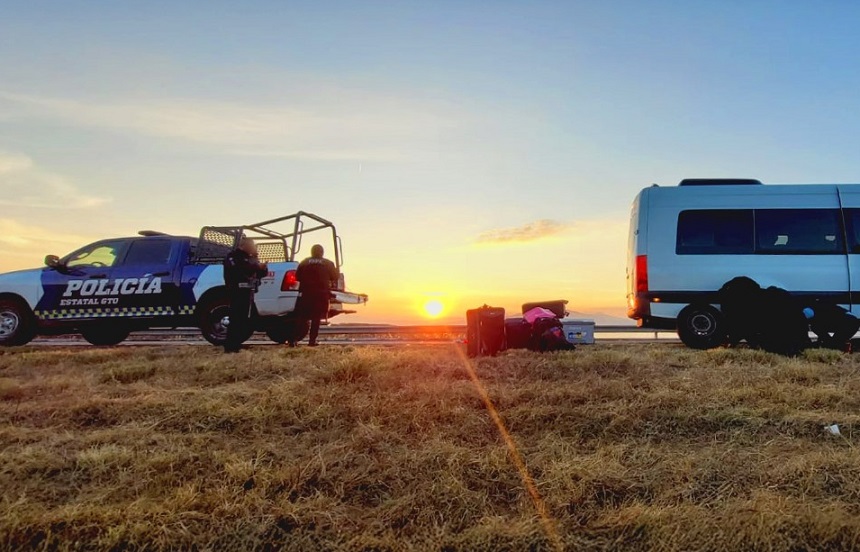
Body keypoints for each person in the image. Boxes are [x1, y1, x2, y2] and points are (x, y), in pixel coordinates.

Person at [223, 237, 268, 353]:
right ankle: (230, 346)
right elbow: (240, 268)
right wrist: (256, 266)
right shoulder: (233, 257)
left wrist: (261, 267)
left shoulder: (250, 258)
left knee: (246, 319)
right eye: (252, 245)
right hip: (236, 291)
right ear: (244, 245)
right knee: (236, 318)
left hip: (248, 292)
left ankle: (236, 343)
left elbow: (260, 273)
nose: (254, 247)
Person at [296, 244, 339, 347]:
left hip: (306, 293)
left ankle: (293, 340)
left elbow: (297, 276)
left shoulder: (304, 262)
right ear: (322, 252)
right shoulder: (328, 263)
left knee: (301, 318)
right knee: (316, 318)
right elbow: (335, 276)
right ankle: (312, 341)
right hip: (321, 294)